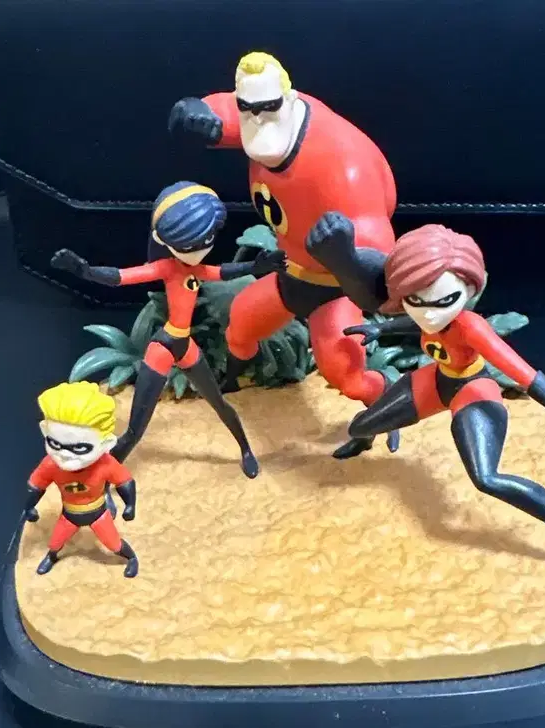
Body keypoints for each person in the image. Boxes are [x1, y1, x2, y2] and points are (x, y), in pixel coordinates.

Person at [322, 221, 545, 606]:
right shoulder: (426, 313)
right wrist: (384, 330)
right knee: (361, 425)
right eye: (415, 300)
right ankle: (366, 441)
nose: (429, 315)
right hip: (436, 381)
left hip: (473, 392)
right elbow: (422, 320)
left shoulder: (472, 327)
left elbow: (523, 373)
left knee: (487, 478)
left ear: (469, 289)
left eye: (444, 301)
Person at [169, 51, 398, 457]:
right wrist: (198, 110)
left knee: (345, 374)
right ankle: (234, 382)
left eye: (267, 108)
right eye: (249, 110)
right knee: (241, 324)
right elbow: (231, 110)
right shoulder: (263, 118)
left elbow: (379, 272)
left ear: (288, 103)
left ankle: (386, 406)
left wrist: (345, 255)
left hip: (335, 288)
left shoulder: (342, 164)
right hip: (290, 271)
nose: (256, 119)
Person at [52, 181, 284, 477]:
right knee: (136, 429)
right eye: (190, 245)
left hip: (186, 346)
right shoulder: (166, 268)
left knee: (220, 403)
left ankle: (246, 450)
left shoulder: (197, 270)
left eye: (208, 240)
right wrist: (84, 271)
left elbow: (225, 271)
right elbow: (120, 277)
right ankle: (103, 480)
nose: (201, 250)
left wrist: (256, 267)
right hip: (163, 348)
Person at [24, 381, 139, 577]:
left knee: (114, 544)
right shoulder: (51, 464)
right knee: (55, 542)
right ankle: (52, 556)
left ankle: (131, 558)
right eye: (55, 444)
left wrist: (130, 505)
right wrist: (29, 506)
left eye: (79, 448)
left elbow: (125, 482)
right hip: (69, 514)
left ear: (106, 443)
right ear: (44, 431)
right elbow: (36, 486)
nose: (65, 454)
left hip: (98, 513)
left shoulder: (105, 464)